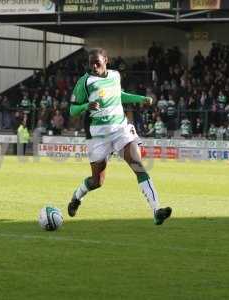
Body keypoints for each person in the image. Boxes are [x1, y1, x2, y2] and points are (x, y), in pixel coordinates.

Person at [67, 48, 172, 225]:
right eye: (91, 63)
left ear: (106, 60)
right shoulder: (85, 82)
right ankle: (76, 198)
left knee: (138, 166)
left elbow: (119, 95)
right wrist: (86, 106)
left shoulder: (115, 75)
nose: (94, 66)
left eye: (97, 63)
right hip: (98, 137)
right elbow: (72, 110)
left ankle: (156, 210)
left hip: (120, 130)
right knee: (97, 181)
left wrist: (140, 99)